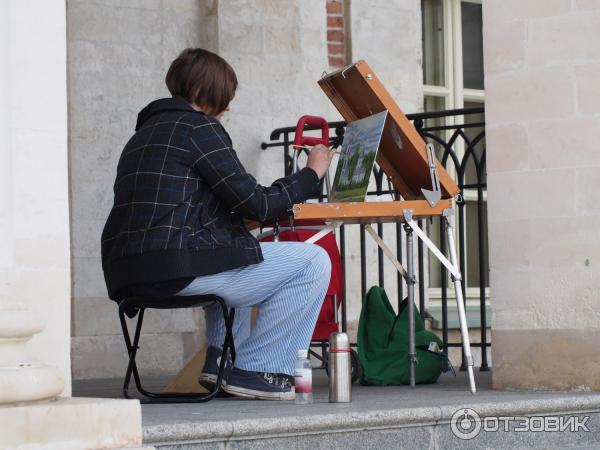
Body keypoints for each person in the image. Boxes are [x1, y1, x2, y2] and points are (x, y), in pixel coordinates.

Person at [101, 48, 335, 400]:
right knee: (313, 262)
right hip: (173, 267)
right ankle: (259, 370)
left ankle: (220, 363)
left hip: (127, 272)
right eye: (226, 97)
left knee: (236, 249)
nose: (227, 108)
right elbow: (256, 202)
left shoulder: (141, 136)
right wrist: (310, 173)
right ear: (204, 94)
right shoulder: (198, 128)